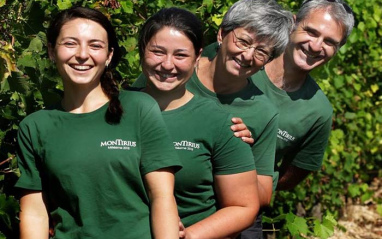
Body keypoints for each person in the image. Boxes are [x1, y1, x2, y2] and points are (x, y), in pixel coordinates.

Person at [15, 7, 181, 239]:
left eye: (95, 45)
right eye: (70, 43)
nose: (83, 54)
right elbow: (35, 213)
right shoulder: (35, 126)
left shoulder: (139, 108)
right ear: (52, 51)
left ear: (109, 55)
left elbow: (162, 197)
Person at [133, 0, 294, 209]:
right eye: (243, 41)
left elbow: (262, 196)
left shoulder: (262, 112)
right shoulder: (172, 71)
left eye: (261, 52)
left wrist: (237, 153)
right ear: (222, 34)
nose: (247, 55)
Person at [133, 7, 259, 238]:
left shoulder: (219, 123)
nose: (168, 64)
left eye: (180, 55)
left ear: (197, 57)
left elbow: (244, 206)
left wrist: (190, 235)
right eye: (158, 52)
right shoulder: (113, 109)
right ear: (142, 50)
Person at [238, 0, 355, 238]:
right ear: (292, 23)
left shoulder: (319, 111)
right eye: (311, 32)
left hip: (246, 210)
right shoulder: (243, 62)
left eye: (330, 42)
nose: (316, 45)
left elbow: (294, 175)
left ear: (338, 48)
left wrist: (258, 183)